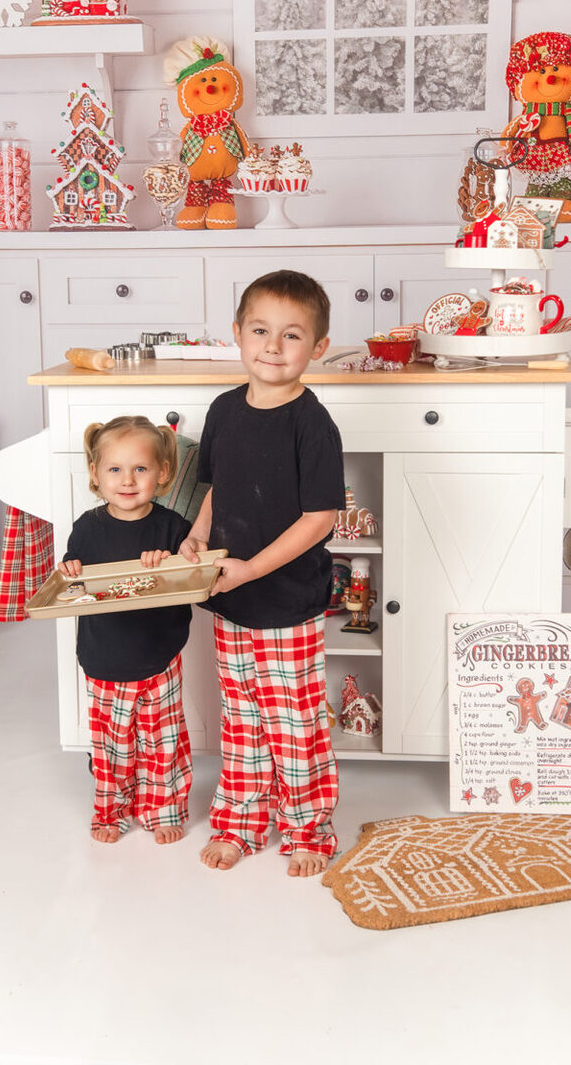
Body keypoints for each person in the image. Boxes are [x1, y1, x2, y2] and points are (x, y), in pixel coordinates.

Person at [180, 270, 346, 877]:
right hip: (231, 596)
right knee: (243, 713)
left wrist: (251, 568)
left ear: (318, 348)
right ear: (237, 335)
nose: (273, 347)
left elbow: (321, 518)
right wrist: (199, 537)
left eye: (292, 335)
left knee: (294, 720)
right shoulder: (224, 410)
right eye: (260, 330)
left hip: (286, 598)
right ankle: (242, 819)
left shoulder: (312, 423)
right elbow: (217, 490)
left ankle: (307, 828)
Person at [58, 416, 193, 845]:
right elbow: (71, 583)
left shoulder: (172, 529)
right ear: (96, 475)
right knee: (113, 746)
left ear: (163, 473)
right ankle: (110, 812)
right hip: (104, 658)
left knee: (162, 742)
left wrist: (169, 562)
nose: (128, 480)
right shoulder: (87, 527)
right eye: (115, 469)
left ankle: (163, 809)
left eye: (140, 469)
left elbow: (194, 579)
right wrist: (70, 570)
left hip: (159, 657)